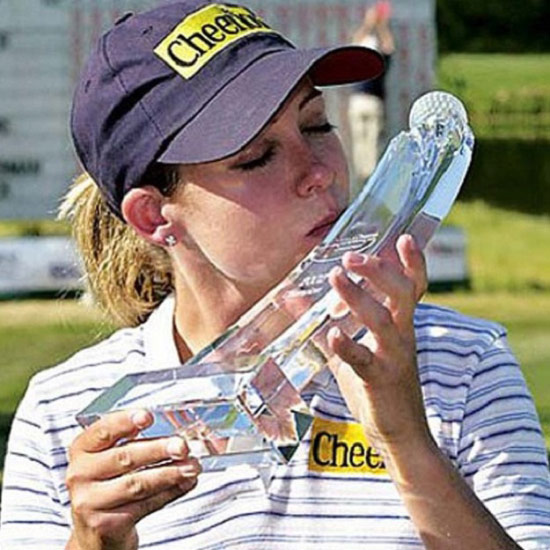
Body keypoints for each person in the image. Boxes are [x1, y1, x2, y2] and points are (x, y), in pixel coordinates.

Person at [1, 1, 549, 549]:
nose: (320, 172)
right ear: (153, 217)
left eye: (316, 124)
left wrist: (406, 441)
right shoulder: (62, 415)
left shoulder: (461, 363)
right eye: (258, 156)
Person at [348, 1, 395, 187]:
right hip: (373, 103)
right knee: (373, 142)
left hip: (358, 103)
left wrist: (369, 24)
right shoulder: (381, 61)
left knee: (360, 143)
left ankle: (363, 180)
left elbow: (355, 42)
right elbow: (389, 46)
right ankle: (370, 181)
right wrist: (381, 25)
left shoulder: (358, 61)